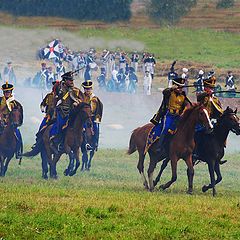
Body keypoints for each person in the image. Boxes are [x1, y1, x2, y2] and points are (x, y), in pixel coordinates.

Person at [146, 77, 191, 154]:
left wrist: (185, 109)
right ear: (175, 85)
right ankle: (159, 146)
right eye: (179, 87)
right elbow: (164, 92)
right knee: (166, 128)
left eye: (181, 87)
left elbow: (188, 104)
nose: (180, 89)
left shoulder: (183, 96)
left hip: (178, 116)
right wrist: (171, 88)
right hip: (169, 115)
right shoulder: (169, 93)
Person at [49, 71, 83, 153]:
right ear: (65, 81)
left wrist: (77, 102)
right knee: (60, 126)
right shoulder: (60, 89)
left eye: (72, 80)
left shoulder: (76, 90)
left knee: (83, 125)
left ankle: (85, 144)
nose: (72, 82)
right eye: (69, 80)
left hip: (72, 111)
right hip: (61, 111)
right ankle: (55, 141)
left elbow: (82, 99)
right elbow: (54, 96)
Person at [0, 82, 23, 159]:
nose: (7, 93)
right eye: (5, 92)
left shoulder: (15, 103)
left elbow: (19, 115)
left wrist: (17, 123)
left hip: (10, 124)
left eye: (8, 92)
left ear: (11, 92)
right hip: (0, 122)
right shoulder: (0, 100)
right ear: (3, 92)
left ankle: (18, 151)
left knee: (18, 135)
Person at [81, 80, 103, 151]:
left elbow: (99, 108)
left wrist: (97, 119)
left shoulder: (95, 98)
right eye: (86, 89)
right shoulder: (81, 97)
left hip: (92, 117)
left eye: (89, 88)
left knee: (95, 129)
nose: (88, 90)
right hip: (83, 118)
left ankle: (95, 143)